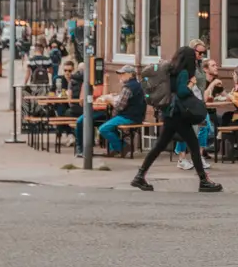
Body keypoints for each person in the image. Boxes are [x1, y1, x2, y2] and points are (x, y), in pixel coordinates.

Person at [131, 46, 222, 193]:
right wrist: (191, 83)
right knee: (193, 146)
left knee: (159, 146)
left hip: (170, 113)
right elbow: (181, 91)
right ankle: (204, 181)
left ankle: (140, 175)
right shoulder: (184, 72)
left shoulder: (171, 70)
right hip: (179, 115)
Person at [95, 65, 147, 157]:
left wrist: (109, 99)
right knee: (111, 125)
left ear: (130, 74)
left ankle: (121, 147)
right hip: (137, 116)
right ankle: (113, 149)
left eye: (122, 74)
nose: (120, 76)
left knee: (103, 129)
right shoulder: (138, 85)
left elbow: (119, 106)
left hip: (128, 117)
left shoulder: (128, 87)